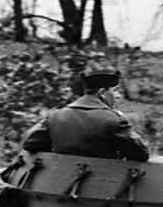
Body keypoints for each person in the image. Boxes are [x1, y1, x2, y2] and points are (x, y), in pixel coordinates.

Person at [21, 68, 150, 161]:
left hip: (60, 182)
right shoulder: (114, 120)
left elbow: (29, 142)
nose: (118, 96)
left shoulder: (55, 116)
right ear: (102, 93)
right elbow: (141, 154)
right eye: (115, 91)